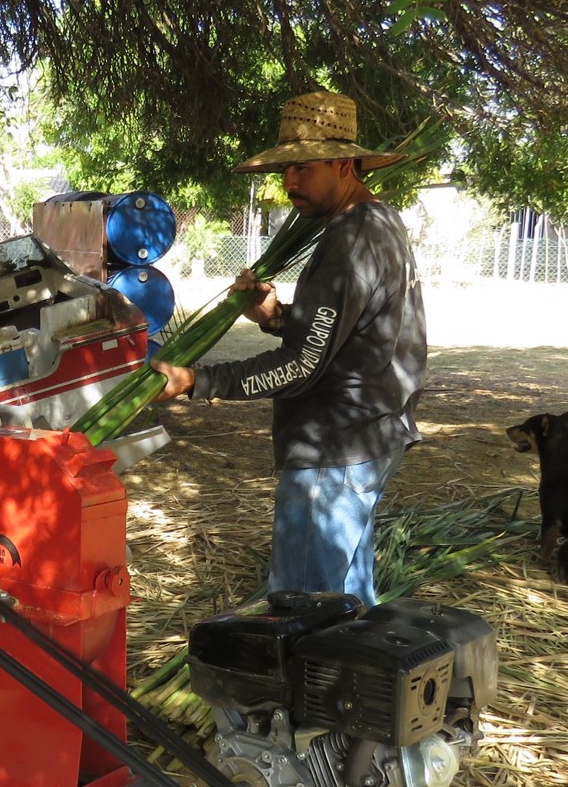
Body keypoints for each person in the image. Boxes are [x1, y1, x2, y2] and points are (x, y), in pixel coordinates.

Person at [151, 91, 426, 604]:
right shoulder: (381, 222)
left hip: (335, 449)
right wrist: (278, 317)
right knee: (346, 593)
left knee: (310, 604)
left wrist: (195, 380)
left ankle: (322, 684)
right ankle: (352, 680)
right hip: (372, 435)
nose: (289, 181)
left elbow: (302, 366)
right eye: (285, 169)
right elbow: (352, 331)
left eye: (303, 167)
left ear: (344, 164)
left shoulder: (349, 241)